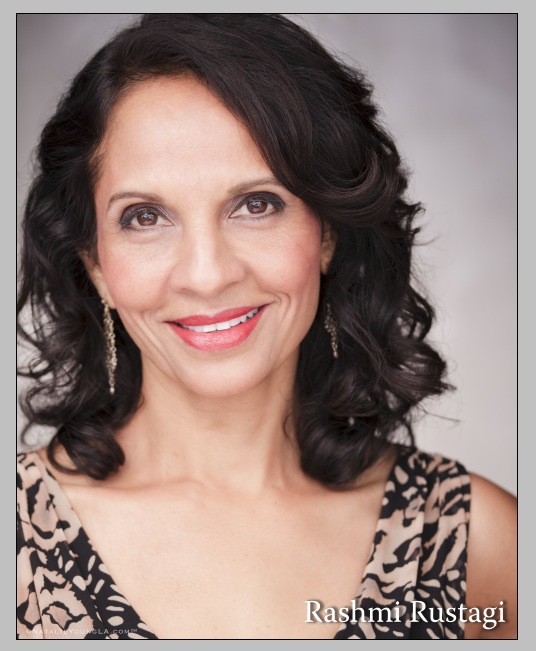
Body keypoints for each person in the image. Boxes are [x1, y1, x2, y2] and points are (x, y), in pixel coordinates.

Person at [16, 14, 516, 640]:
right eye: (144, 217)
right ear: (94, 263)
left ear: (327, 233)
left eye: (256, 205)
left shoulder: (475, 543)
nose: (206, 275)